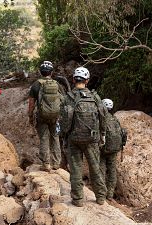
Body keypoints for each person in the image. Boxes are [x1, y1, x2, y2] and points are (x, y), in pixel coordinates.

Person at [59, 66, 107, 206]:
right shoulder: (95, 96)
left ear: (74, 80)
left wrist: (64, 137)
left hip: (73, 139)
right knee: (95, 168)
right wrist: (102, 134)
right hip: (92, 139)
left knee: (76, 169)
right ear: (87, 80)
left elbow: (63, 120)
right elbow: (103, 116)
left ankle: (78, 199)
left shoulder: (68, 97)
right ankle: (100, 197)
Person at [28, 61, 62, 171]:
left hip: (42, 116)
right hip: (55, 116)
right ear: (51, 72)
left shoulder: (35, 85)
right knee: (55, 137)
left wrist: (30, 116)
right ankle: (56, 163)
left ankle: (46, 164)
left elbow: (31, 104)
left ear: (40, 72)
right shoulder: (57, 84)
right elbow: (62, 100)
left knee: (44, 138)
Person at [100, 98, 127, 201]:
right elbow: (122, 133)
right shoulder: (115, 119)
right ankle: (110, 194)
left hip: (103, 149)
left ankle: (101, 193)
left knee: (101, 169)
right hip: (115, 149)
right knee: (112, 170)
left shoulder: (101, 119)